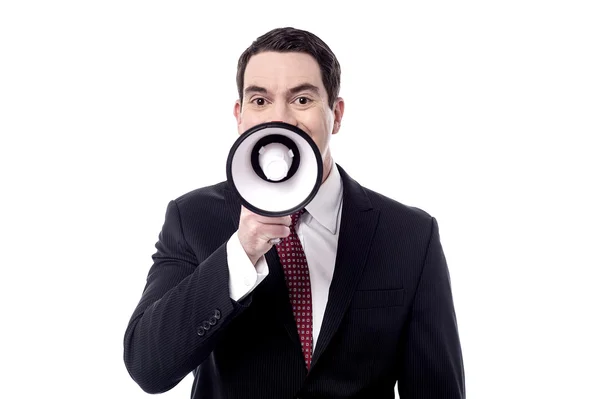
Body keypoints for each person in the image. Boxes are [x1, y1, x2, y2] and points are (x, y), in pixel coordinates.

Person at [123, 27, 465, 398]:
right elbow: (148, 367)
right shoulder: (192, 218)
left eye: (302, 100)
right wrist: (240, 253)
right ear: (239, 116)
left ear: (335, 114)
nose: (280, 118)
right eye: (260, 101)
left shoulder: (410, 235)